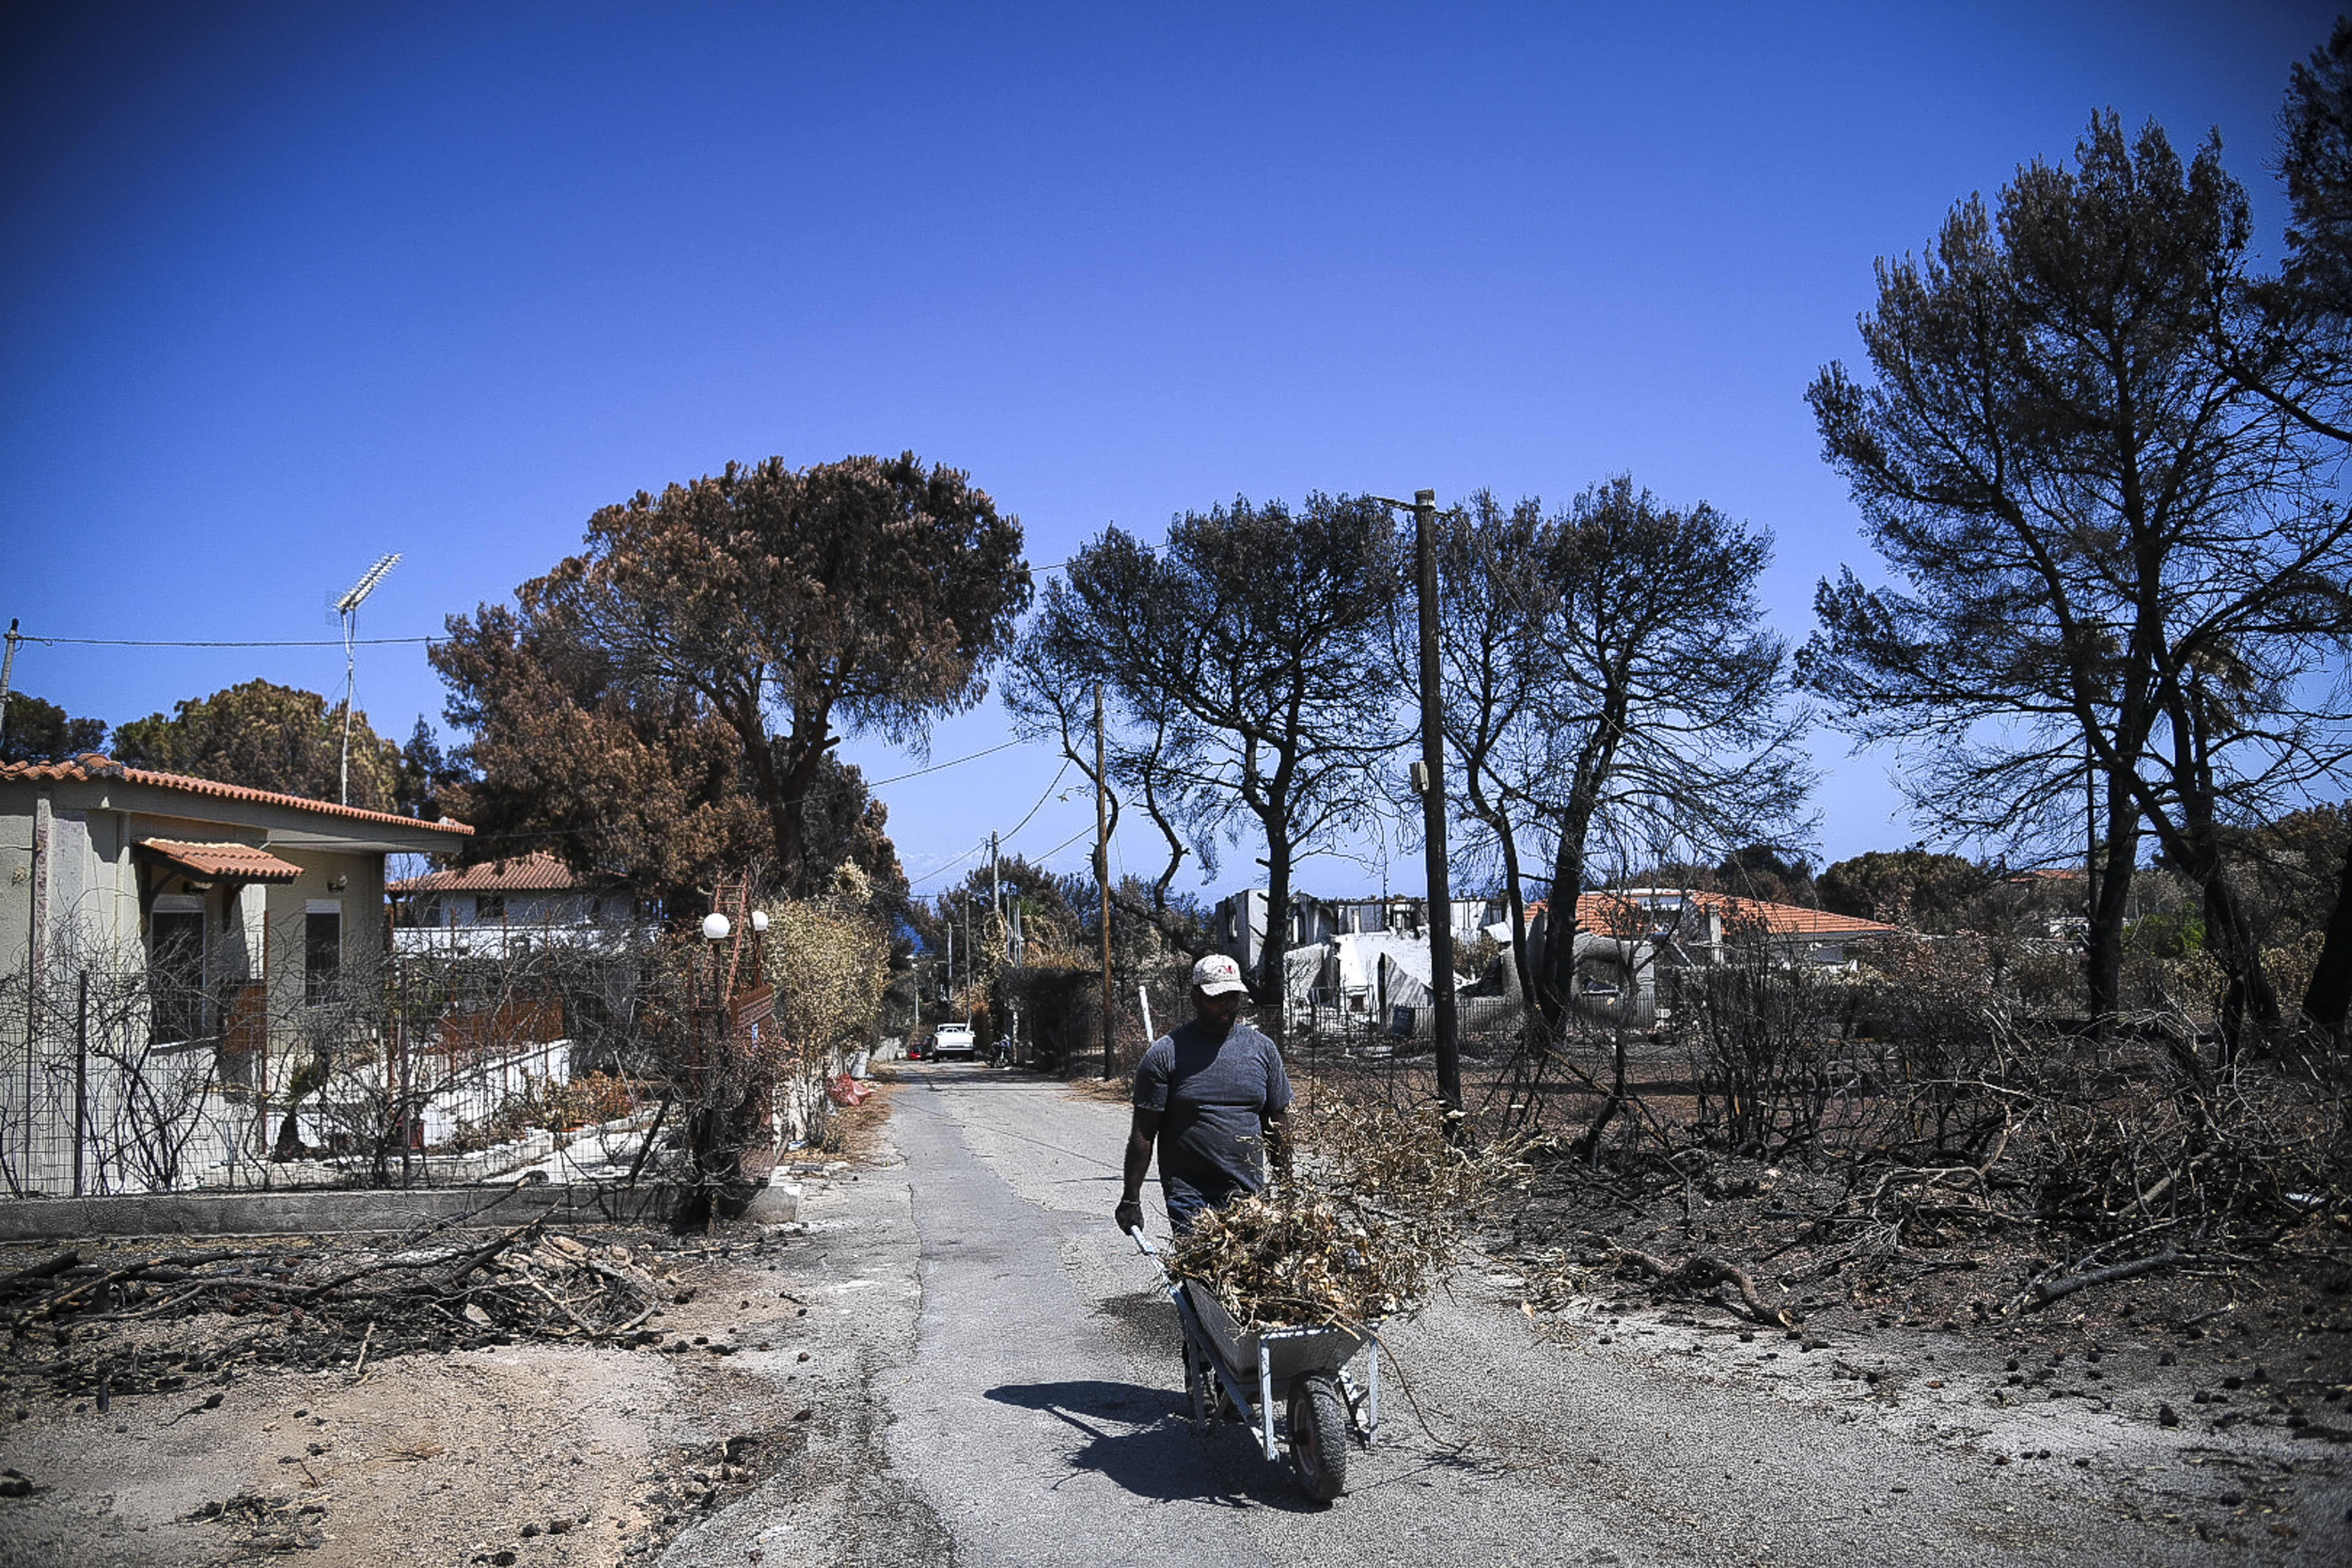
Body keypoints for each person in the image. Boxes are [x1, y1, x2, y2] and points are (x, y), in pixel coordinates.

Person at [1115, 953, 1292, 1236]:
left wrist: (1288, 1184)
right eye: (1217, 997)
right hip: (1189, 1194)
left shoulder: (1263, 1050)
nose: (1228, 1005)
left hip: (1247, 1194)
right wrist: (1131, 1198)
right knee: (1201, 1263)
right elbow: (1144, 1132)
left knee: (1248, 1264)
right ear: (1195, 997)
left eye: (1233, 997)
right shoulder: (1166, 1054)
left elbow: (1277, 1123)